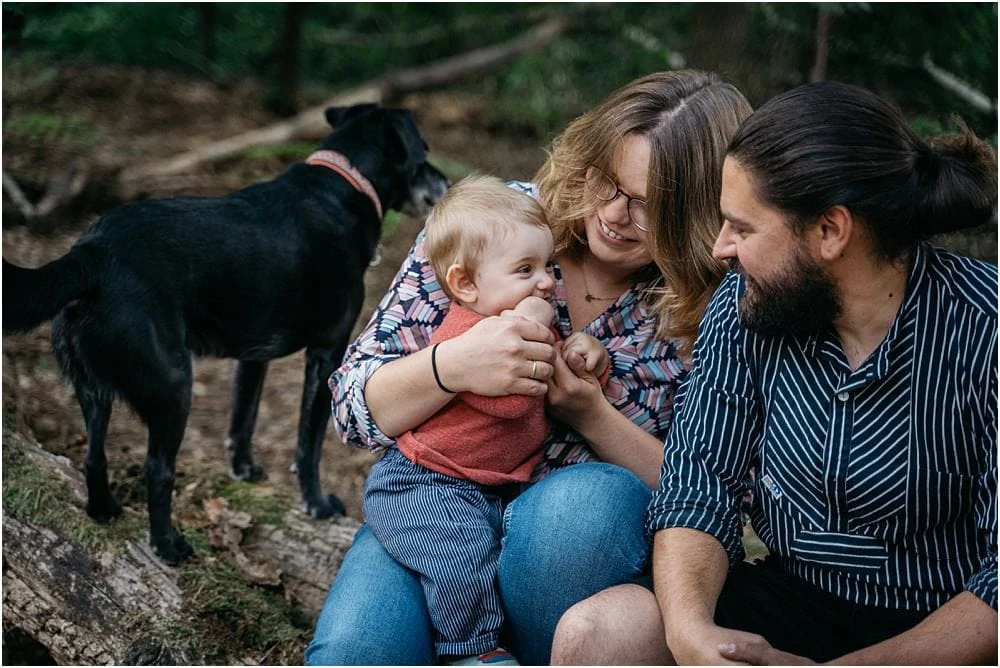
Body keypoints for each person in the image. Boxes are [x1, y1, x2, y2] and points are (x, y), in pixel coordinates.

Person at [305, 69, 753, 666]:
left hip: (570, 567)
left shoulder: (714, 309)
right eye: (606, 181)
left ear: (698, 211)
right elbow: (351, 408)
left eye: (647, 204)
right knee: (353, 655)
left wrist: (591, 413)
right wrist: (451, 365)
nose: (614, 214)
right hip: (434, 504)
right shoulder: (494, 222)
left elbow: (717, 496)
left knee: (583, 506)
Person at [550, 80, 998, 665]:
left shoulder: (984, 329)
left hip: (944, 630)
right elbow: (699, 484)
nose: (720, 249)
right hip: (789, 597)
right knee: (601, 634)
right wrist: (692, 634)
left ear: (830, 232)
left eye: (743, 227)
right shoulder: (744, 307)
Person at [363, 174, 610, 666]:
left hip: (481, 485)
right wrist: (539, 331)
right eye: (525, 269)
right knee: (461, 561)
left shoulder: (516, 321)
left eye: (546, 266)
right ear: (467, 284)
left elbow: (558, 375)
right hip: (422, 481)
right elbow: (513, 404)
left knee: (482, 555)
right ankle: (471, 653)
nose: (545, 283)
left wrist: (585, 352)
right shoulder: (471, 331)